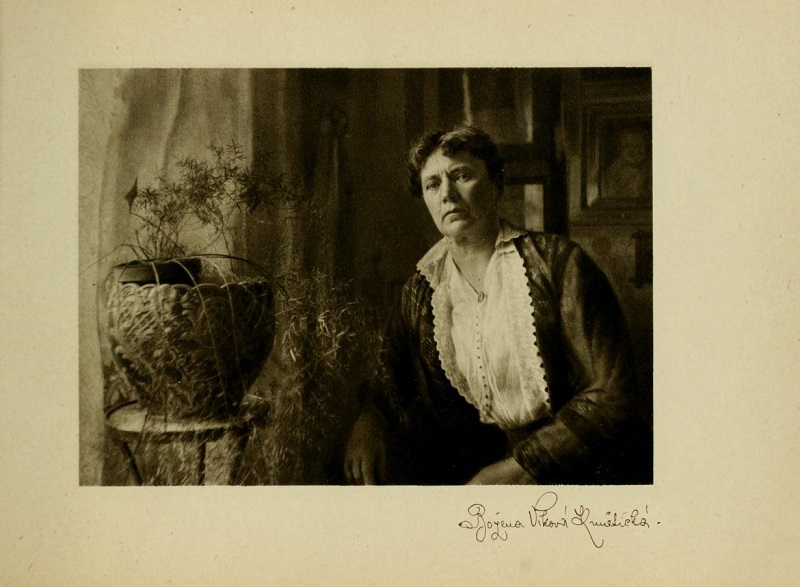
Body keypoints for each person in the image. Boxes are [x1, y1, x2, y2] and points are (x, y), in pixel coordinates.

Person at [344, 125, 651, 485]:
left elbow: (613, 393)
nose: (447, 194)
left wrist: (520, 468)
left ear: (496, 183)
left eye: (462, 175)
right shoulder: (422, 289)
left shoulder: (558, 264)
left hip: (579, 465)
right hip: (476, 472)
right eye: (433, 184)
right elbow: (389, 373)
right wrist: (368, 420)